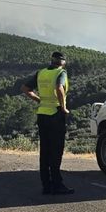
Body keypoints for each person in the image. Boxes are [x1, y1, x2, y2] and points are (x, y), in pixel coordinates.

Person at [21, 51, 74, 195]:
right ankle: (57, 185)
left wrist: (39, 100)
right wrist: (63, 107)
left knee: (45, 151)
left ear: (51, 60)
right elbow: (59, 88)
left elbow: (25, 89)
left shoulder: (41, 73)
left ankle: (46, 185)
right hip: (55, 115)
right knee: (56, 151)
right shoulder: (61, 72)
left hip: (42, 115)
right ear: (62, 62)